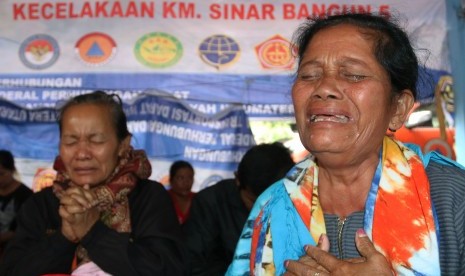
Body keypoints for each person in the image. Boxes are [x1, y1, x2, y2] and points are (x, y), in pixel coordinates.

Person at [227, 13, 465, 276]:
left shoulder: (452, 196)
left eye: (352, 75)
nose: (324, 87)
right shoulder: (272, 205)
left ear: (398, 107)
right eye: (309, 75)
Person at [0, 91, 188, 275]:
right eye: (71, 141)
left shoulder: (148, 197)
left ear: (122, 145)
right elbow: (11, 269)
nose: (82, 154)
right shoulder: (42, 204)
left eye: (96, 140)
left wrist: (93, 231)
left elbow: (168, 269)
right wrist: (65, 237)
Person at [184, 142, 295, 275]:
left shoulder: (294, 202)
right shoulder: (209, 203)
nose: (261, 211)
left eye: (271, 204)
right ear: (237, 179)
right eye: (254, 202)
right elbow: (193, 264)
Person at [0, 150, 33, 259]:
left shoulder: (26, 195)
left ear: (12, 170)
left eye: (1, 174)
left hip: (13, 254)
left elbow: (24, 230)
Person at [167, 160, 195, 224]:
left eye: (190, 178)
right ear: (171, 180)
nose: (186, 182)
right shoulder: (163, 198)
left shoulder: (199, 200)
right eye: (181, 178)